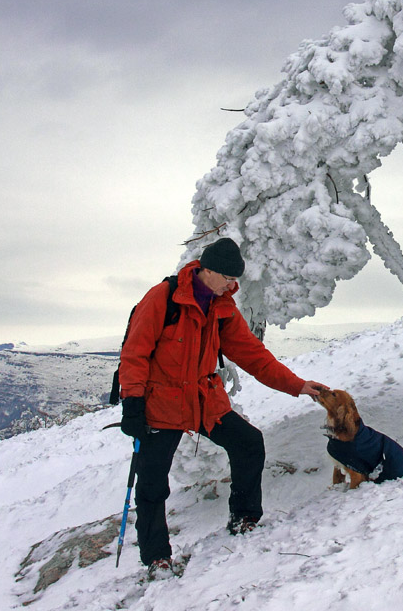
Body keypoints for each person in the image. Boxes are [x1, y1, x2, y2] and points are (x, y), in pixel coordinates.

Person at [118, 237, 329, 573]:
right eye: (229, 278)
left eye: (236, 280)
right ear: (209, 271)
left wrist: (298, 385)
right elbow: (134, 352)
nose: (233, 285)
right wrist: (132, 402)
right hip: (162, 403)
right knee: (152, 483)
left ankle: (244, 518)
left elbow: (253, 355)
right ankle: (156, 557)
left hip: (203, 400)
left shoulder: (222, 308)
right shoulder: (163, 298)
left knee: (248, 443)